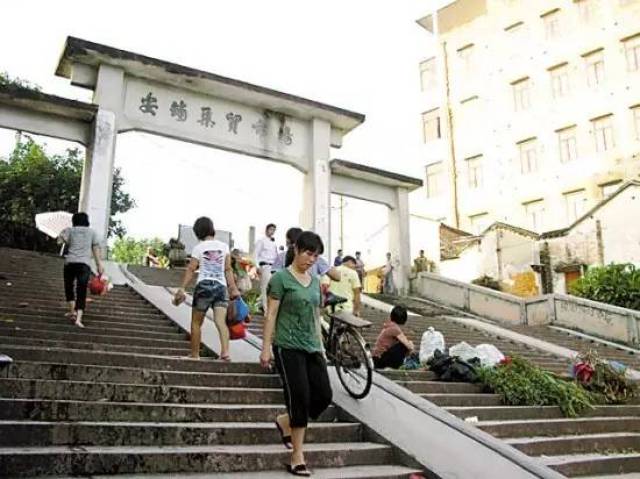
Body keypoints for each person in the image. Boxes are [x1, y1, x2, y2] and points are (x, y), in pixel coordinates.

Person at [260, 231, 332, 477]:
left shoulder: (314, 282)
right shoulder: (280, 278)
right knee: (299, 398)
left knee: (323, 396)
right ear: (296, 250)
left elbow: (315, 315)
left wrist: (321, 347)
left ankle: (284, 421)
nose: (312, 259)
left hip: (312, 345)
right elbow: (270, 314)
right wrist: (266, 348)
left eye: (316, 255)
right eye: (309, 253)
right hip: (287, 346)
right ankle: (297, 456)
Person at [174, 217, 240, 360]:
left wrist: (182, 288)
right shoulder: (223, 246)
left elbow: (191, 268)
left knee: (196, 323)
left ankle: (195, 354)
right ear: (212, 229)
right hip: (221, 287)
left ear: (197, 233)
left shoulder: (199, 248)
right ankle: (225, 352)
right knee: (220, 322)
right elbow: (228, 269)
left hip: (204, 286)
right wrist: (233, 288)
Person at [58, 212, 104, 328]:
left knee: (69, 287)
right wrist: (99, 265)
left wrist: (63, 236)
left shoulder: (69, 230)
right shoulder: (92, 232)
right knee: (81, 290)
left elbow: (60, 242)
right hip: (84, 264)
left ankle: (72, 311)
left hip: (70, 263)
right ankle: (78, 319)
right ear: (86, 221)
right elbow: (95, 248)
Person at [274, 226, 341, 282]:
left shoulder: (281, 257)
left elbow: (274, 279)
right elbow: (337, 277)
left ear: (288, 241)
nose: (311, 260)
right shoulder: (316, 258)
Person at [254, 223, 278, 313]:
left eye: (274, 230)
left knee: (272, 289)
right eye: (271, 229)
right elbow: (255, 254)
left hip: (274, 267)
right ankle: (266, 310)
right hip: (265, 265)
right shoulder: (261, 241)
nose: (272, 231)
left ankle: (258, 305)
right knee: (265, 288)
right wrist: (257, 266)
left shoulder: (274, 243)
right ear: (266, 230)